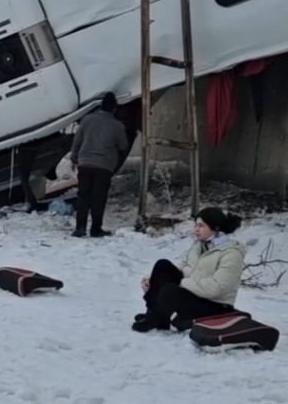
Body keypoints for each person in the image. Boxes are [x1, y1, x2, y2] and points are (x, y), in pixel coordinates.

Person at [132, 207, 246, 333]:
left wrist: (182, 283)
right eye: (195, 225)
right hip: (196, 295)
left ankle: (156, 318)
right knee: (162, 265)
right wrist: (154, 279)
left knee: (169, 290)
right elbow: (184, 267)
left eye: (201, 226)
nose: (195, 230)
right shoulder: (199, 246)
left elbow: (216, 288)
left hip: (216, 305)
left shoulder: (231, 253)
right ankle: (154, 316)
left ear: (216, 228)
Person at [68, 92, 134, 237]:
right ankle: (95, 229)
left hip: (85, 164)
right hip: (104, 166)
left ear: (101, 106)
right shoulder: (117, 126)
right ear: (114, 109)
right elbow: (123, 146)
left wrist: (74, 158)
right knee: (99, 197)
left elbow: (77, 140)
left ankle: (80, 228)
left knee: (83, 195)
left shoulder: (87, 120)